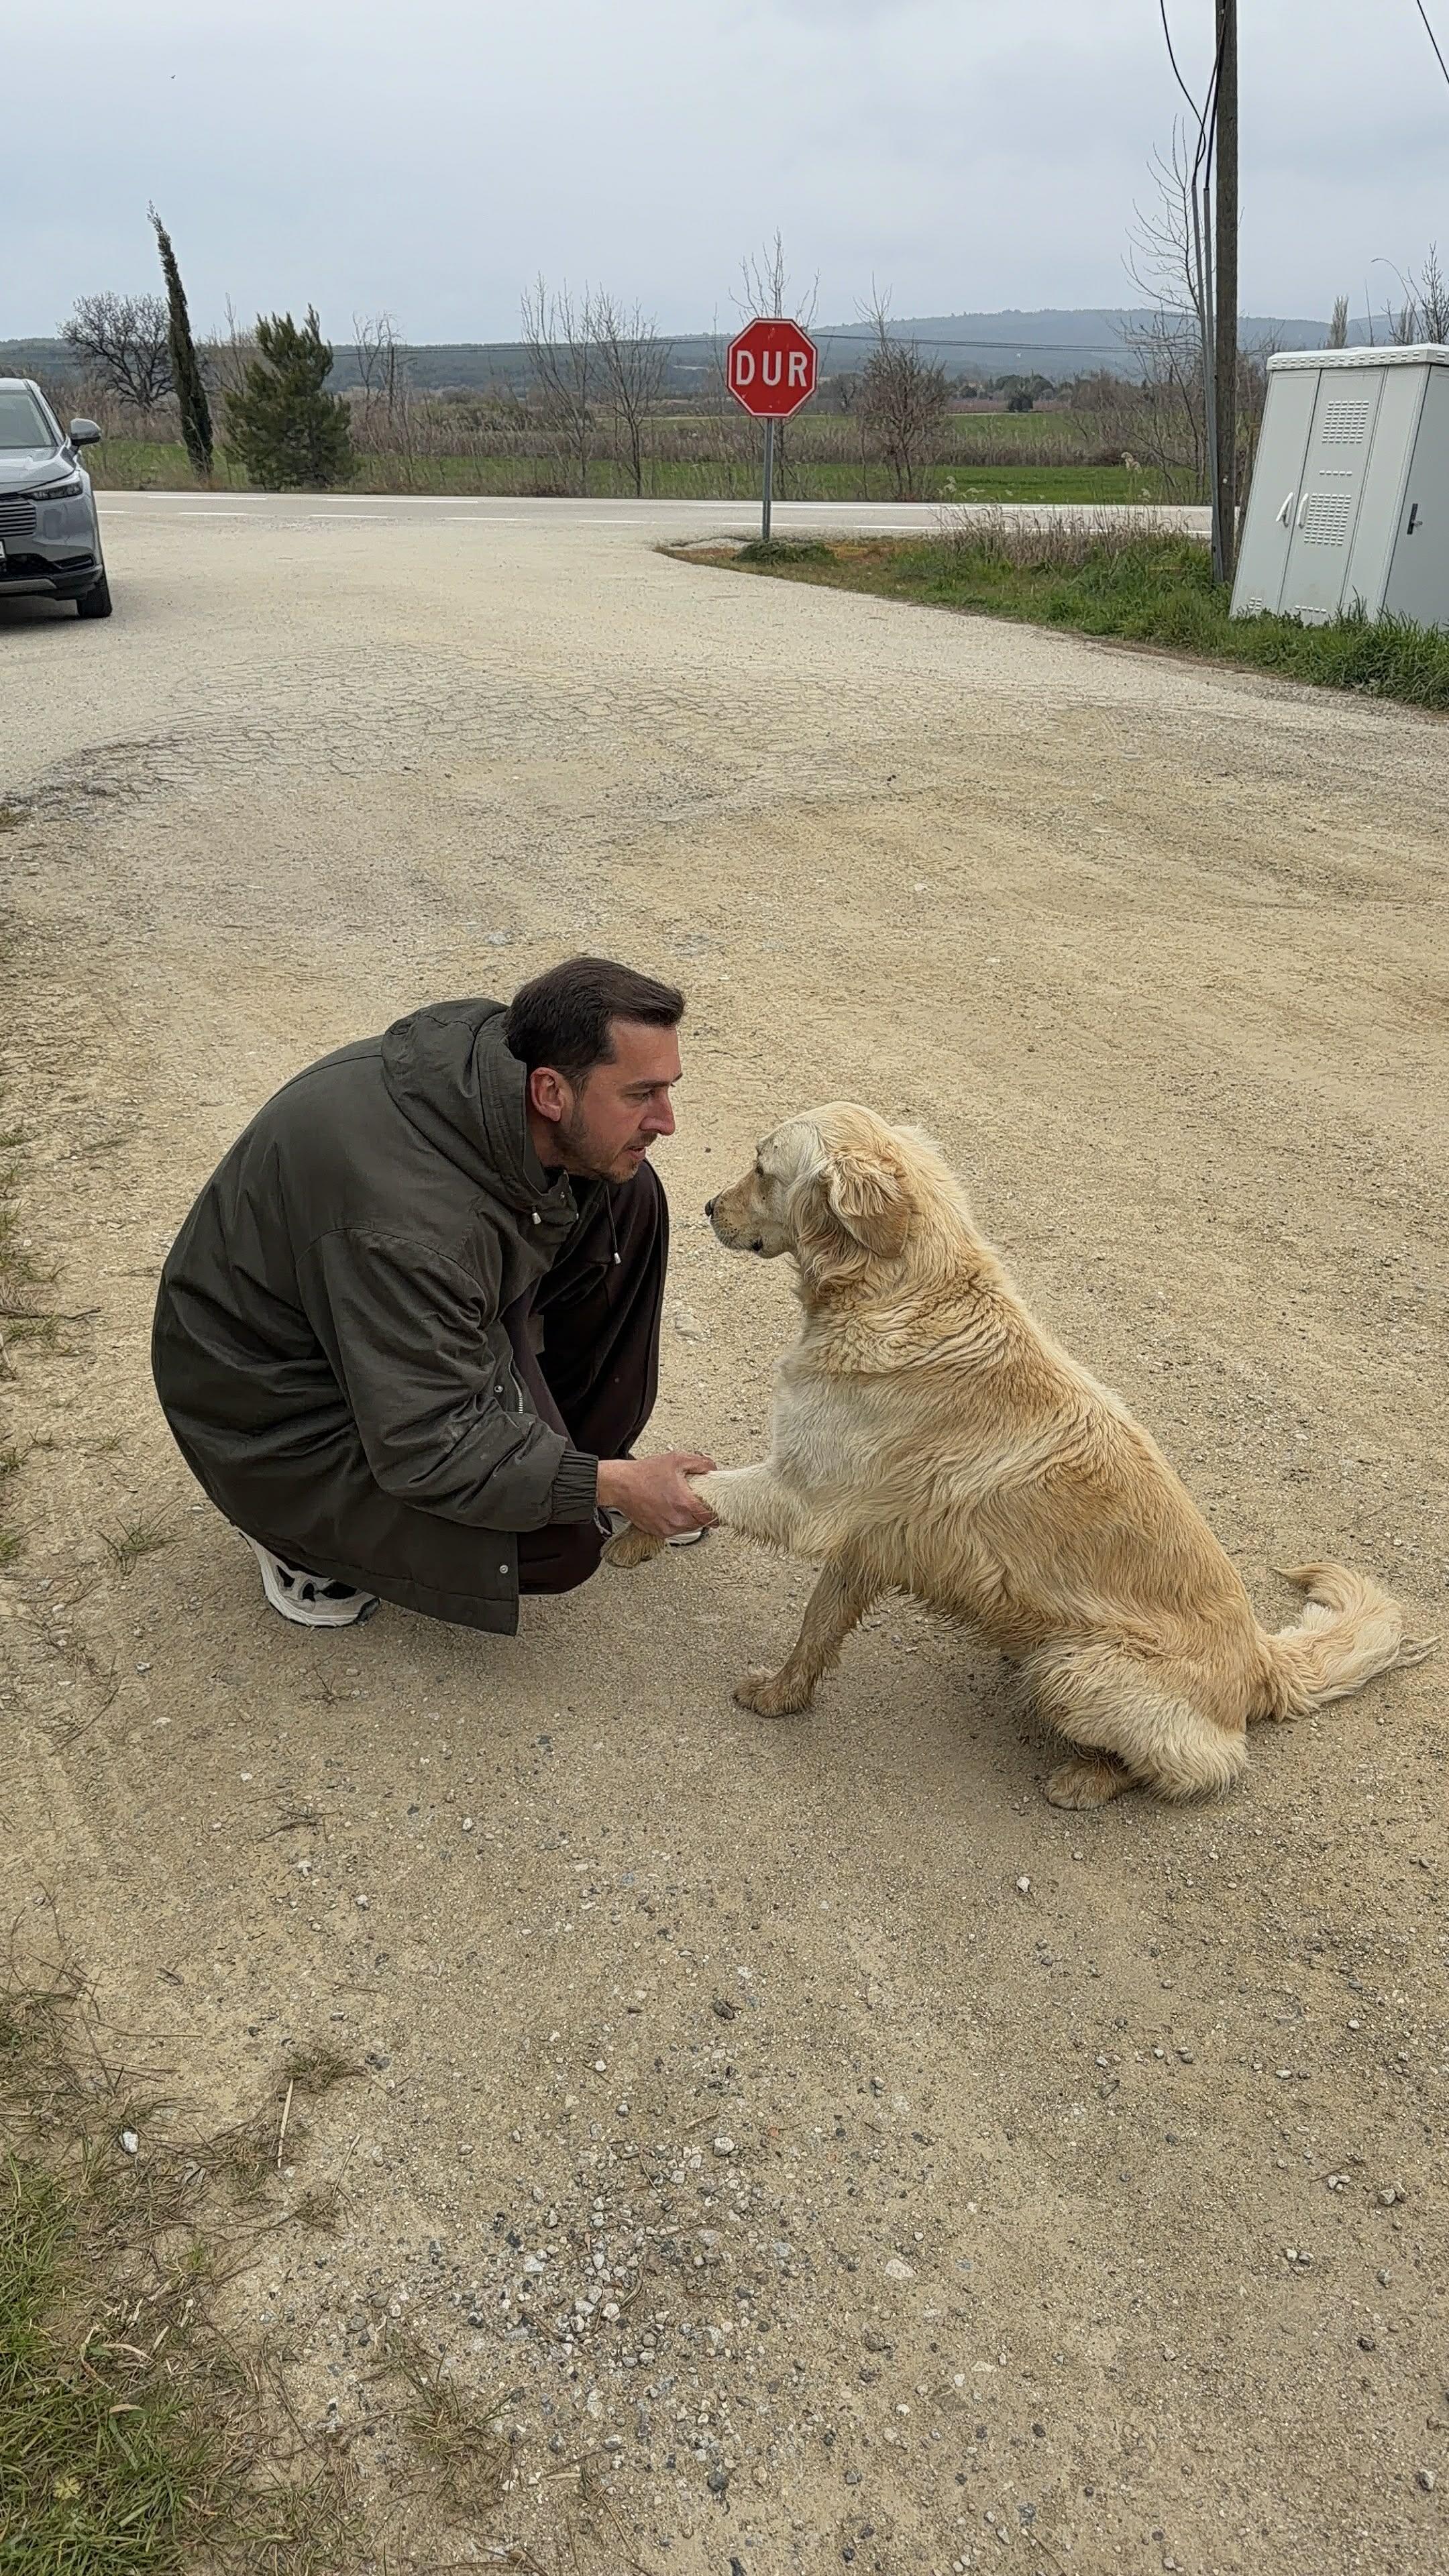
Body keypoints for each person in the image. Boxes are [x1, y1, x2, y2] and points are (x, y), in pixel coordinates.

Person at [151, 957, 716, 1630]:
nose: (667, 1121)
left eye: (668, 1090)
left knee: (626, 1196)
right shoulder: (409, 1230)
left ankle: (575, 1462)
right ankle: (293, 1537)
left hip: (378, 1320)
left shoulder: (495, 1080)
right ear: (549, 1092)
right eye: (640, 1095)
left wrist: (586, 1472)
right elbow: (428, 1443)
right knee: (556, 1548)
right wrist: (608, 1487)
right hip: (275, 1417)